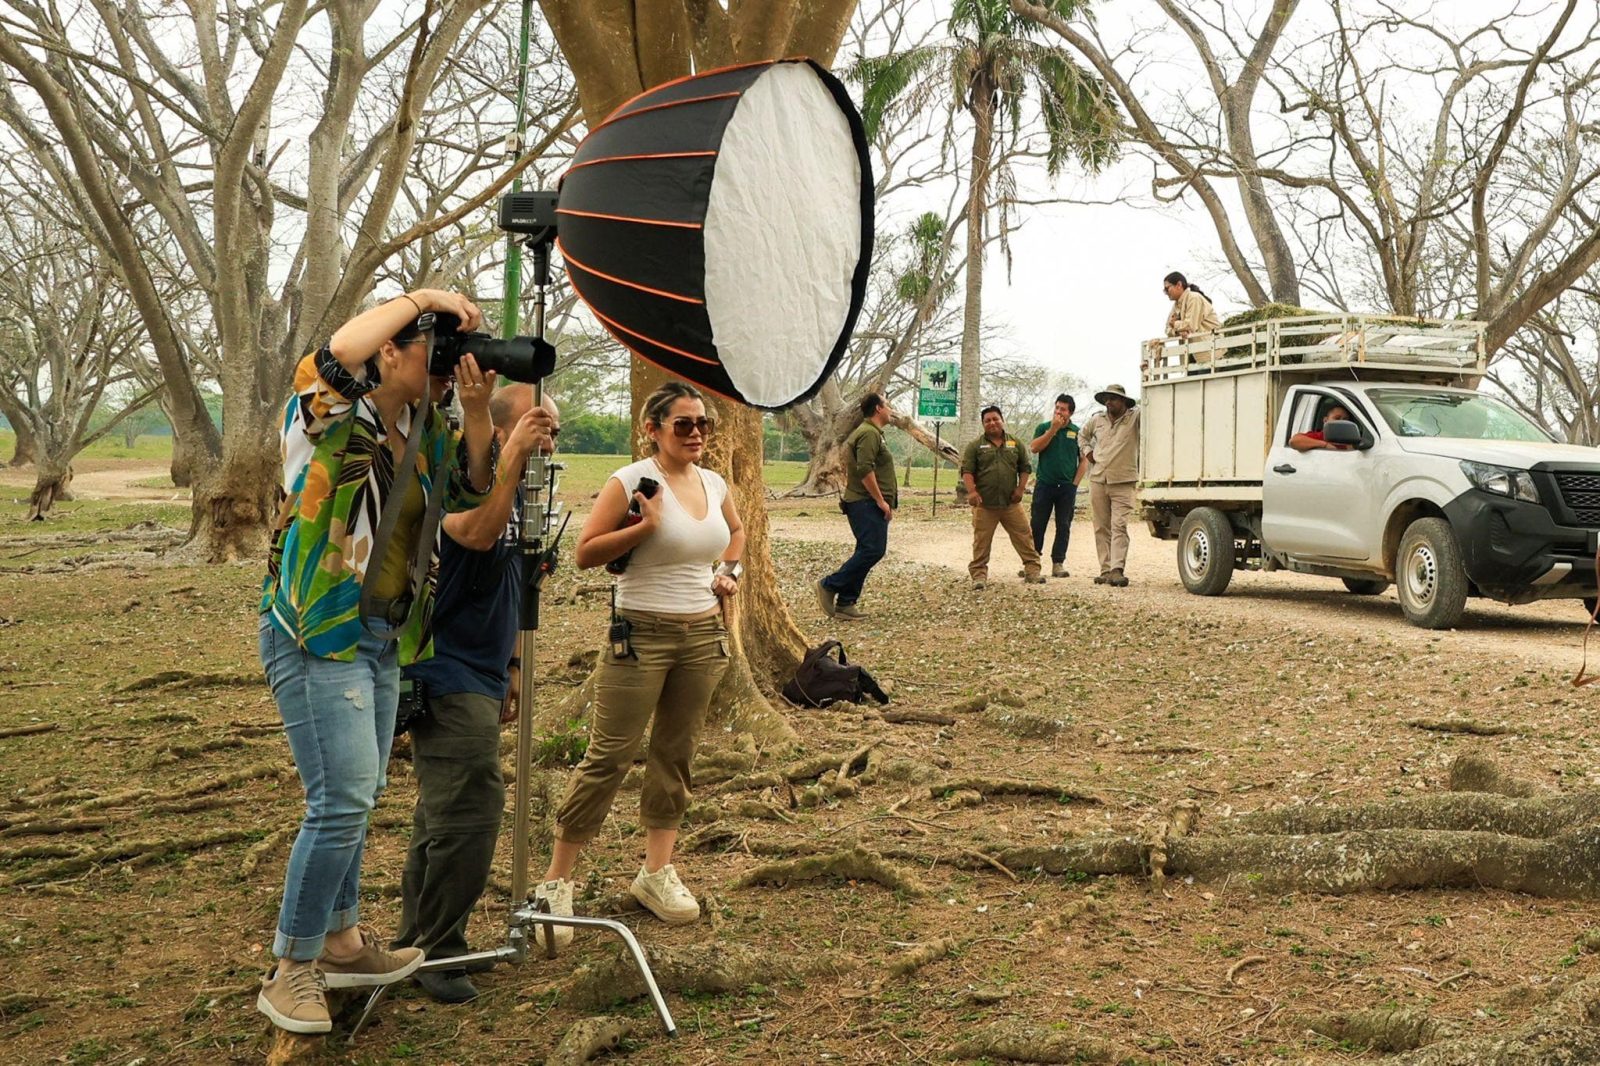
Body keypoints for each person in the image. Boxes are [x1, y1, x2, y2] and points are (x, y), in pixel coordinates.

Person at [256, 290, 500, 1035]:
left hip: (385, 635)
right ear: (390, 350)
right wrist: (423, 300)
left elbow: (471, 488)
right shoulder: (330, 414)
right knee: (342, 797)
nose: (447, 366)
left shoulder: (423, 430)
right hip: (315, 632)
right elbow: (332, 353)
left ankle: (343, 942)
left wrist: (480, 409)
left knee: (355, 795)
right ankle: (291, 968)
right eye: (434, 349)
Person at [532, 380, 742, 950]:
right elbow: (584, 553)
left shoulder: (715, 482)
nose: (697, 433)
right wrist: (645, 527)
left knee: (676, 754)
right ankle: (556, 884)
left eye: (703, 424)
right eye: (683, 424)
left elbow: (736, 531)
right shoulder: (630, 481)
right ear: (653, 429)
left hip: (701, 635)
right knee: (610, 756)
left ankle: (656, 872)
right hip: (639, 636)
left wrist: (731, 573)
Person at [391, 384, 559, 1004]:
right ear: (503, 429)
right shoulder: (458, 480)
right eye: (543, 428)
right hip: (444, 666)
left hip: (487, 670)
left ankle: (418, 942)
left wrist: (514, 665)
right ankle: (439, 949)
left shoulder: (527, 493)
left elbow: (517, 581)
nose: (551, 443)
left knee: (440, 814)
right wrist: (509, 461)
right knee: (472, 807)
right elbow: (478, 535)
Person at [816, 393, 896, 621]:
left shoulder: (873, 433)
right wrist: (880, 500)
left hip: (867, 502)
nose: (890, 409)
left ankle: (846, 603)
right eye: (887, 405)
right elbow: (864, 469)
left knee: (867, 550)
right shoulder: (868, 433)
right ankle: (829, 585)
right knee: (873, 550)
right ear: (879, 409)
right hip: (865, 502)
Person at [959, 404, 1043, 590]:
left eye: (995, 419)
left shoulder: (1015, 443)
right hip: (985, 505)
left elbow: (1025, 467)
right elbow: (967, 471)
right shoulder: (975, 446)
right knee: (981, 541)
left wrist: (1020, 489)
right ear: (983, 424)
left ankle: (1032, 570)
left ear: (1002, 420)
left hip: (1010, 503)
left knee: (1024, 535)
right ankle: (979, 575)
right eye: (987, 420)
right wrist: (972, 492)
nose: (992, 423)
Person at [1081, 384, 1141, 588]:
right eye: (1106, 398)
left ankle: (1117, 569)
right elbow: (1082, 436)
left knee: (1119, 525)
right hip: (1098, 478)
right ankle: (1105, 570)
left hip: (1123, 481)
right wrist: (1088, 452)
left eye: (1113, 399)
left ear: (1124, 401)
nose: (1109, 402)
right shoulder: (1097, 419)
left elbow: (1150, 404)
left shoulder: (1134, 418)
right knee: (1101, 526)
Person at [1028, 394, 1087, 579]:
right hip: (1045, 485)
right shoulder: (1043, 427)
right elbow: (1034, 448)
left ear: (1070, 413)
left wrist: (1074, 484)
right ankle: (1033, 563)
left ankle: (1058, 563)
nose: (1058, 412)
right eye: (1057, 408)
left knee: (1064, 525)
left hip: (1066, 488)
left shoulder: (1077, 432)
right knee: (1038, 524)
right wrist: (1052, 430)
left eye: (1063, 409)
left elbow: (1083, 460)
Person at [1163, 271, 1222, 363]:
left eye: (1167, 288)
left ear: (1179, 285)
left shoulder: (1194, 298)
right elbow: (1167, 330)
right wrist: (1178, 331)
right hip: (1191, 355)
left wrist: (1174, 324)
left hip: (1210, 354)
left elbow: (1190, 326)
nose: (1166, 293)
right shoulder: (1176, 305)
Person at [1290, 405, 1355, 452]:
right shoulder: (1319, 436)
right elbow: (1294, 441)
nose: (1341, 421)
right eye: (1337, 418)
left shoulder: (1350, 439)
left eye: (1345, 419)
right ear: (1325, 420)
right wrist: (1325, 445)